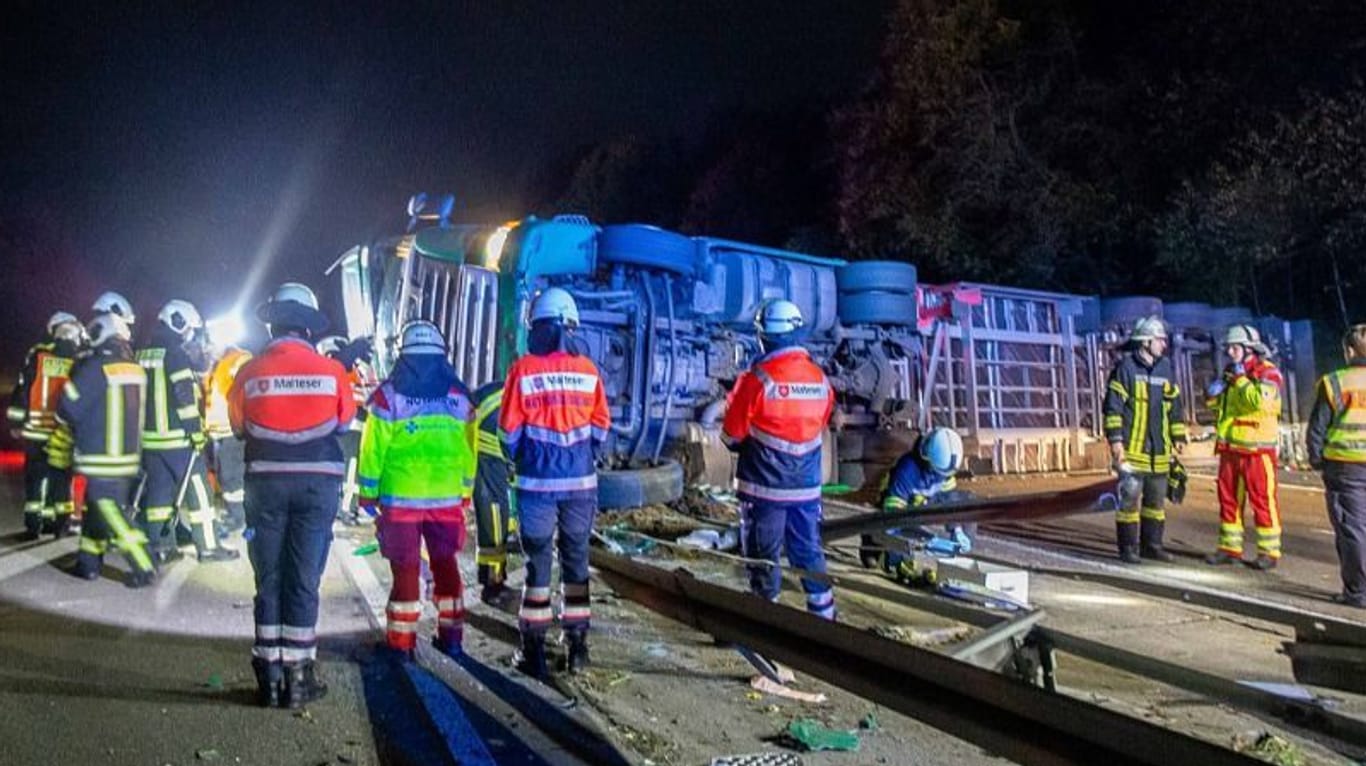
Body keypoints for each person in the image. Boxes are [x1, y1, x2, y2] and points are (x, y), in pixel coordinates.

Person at [228, 282, 355, 708]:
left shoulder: (248, 372)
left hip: (264, 483)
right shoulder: (332, 372)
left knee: (269, 578)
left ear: (275, 323)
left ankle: (269, 678)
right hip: (317, 485)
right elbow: (344, 422)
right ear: (308, 327)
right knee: (303, 578)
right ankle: (300, 679)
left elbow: (238, 426)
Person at [499, 287, 610, 679]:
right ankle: (578, 647)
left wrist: (522, 457)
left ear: (537, 327)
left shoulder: (524, 370)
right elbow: (601, 428)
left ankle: (533, 651)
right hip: (581, 486)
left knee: (538, 566)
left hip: (536, 487)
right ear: (572, 326)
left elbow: (508, 432)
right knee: (577, 562)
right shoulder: (589, 371)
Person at [357, 321, 476, 658]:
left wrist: (367, 493)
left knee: (407, 569)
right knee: (446, 564)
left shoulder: (387, 395)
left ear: (402, 356)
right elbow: (469, 453)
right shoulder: (460, 397)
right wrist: (464, 492)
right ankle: (452, 638)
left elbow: (372, 451)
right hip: (447, 500)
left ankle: (401, 644)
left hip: (400, 502)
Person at [723, 299, 837, 618]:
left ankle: (765, 626)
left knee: (763, 557)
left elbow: (731, 433)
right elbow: (821, 421)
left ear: (763, 337)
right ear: (797, 333)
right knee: (808, 552)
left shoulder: (757, 379)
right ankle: (825, 620)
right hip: (806, 489)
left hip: (764, 490)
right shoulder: (819, 379)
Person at [50, 313, 156, 585]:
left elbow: (68, 407)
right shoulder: (133, 367)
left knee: (111, 512)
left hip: (100, 456)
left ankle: (144, 563)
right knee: (95, 511)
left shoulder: (97, 367)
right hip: (127, 455)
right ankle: (88, 563)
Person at [136, 300, 238, 566]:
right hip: (177, 438)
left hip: (149, 439)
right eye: (188, 329)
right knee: (199, 492)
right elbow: (183, 396)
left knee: (158, 494)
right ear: (177, 322)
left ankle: (161, 546)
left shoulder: (143, 353)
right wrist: (195, 433)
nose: (189, 335)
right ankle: (208, 547)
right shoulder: (174, 353)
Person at [1102, 315, 1187, 564]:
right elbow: (1113, 408)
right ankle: (1128, 548)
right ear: (1145, 342)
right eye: (1159, 340)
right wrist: (1116, 442)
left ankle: (1152, 545)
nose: (1163, 344)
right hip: (1133, 450)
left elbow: (1174, 406)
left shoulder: (1165, 368)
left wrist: (1178, 435)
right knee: (1129, 501)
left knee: (1156, 502)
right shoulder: (1126, 369)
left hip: (1159, 451)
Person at [1205, 324, 1285, 569]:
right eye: (1229, 347)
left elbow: (1256, 403)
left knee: (1262, 500)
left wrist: (1239, 380)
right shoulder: (1233, 372)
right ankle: (1230, 548)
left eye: (1235, 347)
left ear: (1250, 348)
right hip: (1231, 449)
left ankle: (1268, 552)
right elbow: (1218, 407)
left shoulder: (1269, 374)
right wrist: (1214, 393)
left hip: (1257, 450)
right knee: (1228, 500)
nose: (1230, 352)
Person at [1305, 323, 1366, 608]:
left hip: (1345, 469)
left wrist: (1317, 459)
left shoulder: (1335, 382)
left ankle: (1358, 592)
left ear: (1350, 351)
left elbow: (1317, 428)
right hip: (1348, 469)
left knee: (1352, 529)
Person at [8, 312, 83, 539]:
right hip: (63, 431)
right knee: (61, 478)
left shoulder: (38, 354)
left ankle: (33, 526)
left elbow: (22, 389)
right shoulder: (78, 357)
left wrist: (16, 422)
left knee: (35, 479)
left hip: (36, 428)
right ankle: (59, 524)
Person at [863, 428, 973, 578]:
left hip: (921, 508)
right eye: (937, 473)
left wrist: (957, 529)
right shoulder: (907, 470)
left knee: (968, 503)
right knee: (891, 549)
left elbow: (950, 500)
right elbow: (893, 515)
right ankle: (875, 547)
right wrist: (906, 543)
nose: (940, 478)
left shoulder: (942, 471)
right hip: (899, 510)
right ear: (927, 459)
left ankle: (955, 559)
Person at [316, 335, 376, 526]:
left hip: (357, 424)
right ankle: (346, 508)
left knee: (353, 468)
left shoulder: (356, 370)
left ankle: (349, 506)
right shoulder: (333, 367)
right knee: (350, 470)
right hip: (348, 425)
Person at [473, 380, 516, 605]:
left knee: (498, 514)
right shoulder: (517, 398)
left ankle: (493, 578)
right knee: (495, 514)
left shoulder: (510, 389)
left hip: (488, 440)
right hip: (487, 444)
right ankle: (492, 583)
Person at [203, 339, 252, 533]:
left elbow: (244, 388)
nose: (209, 348)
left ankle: (239, 517)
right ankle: (235, 514)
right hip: (220, 430)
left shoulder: (238, 359)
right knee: (226, 475)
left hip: (233, 429)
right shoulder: (218, 365)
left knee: (232, 477)